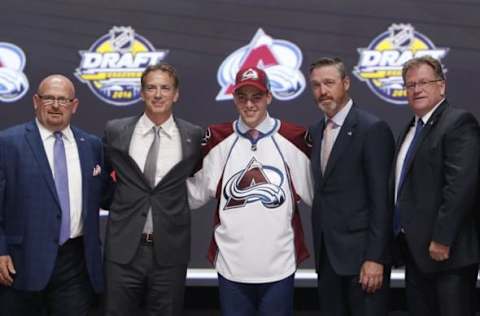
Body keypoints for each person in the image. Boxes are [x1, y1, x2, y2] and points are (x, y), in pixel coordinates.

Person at [188, 66, 312, 316]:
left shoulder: (294, 138)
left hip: (279, 266)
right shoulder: (217, 140)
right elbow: (193, 195)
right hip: (231, 267)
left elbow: (321, 195)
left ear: (269, 97)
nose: (249, 104)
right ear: (234, 99)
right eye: (242, 97)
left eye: (256, 97)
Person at [102, 63, 203, 316]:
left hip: (170, 252)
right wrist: (121, 204)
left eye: (165, 88)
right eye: (151, 88)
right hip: (123, 250)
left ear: (176, 94)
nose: (158, 94)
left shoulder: (192, 136)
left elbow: (196, 183)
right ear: (141, 92)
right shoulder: (116, 131)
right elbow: (101, 180)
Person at [0, 75, 105, 315]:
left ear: (74, 105)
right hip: (21, 263)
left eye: (63, 99)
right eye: (49, 98)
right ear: (36, 101)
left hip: (75, 264)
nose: (56, 105)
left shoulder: (91, 145)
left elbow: (106, 196)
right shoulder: (8, 143)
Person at [393, 55, 480, 316]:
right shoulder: (410, 128)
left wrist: (442, 239)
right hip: (417, 255)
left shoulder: (458, 123)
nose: (416, 89)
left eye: (424, 82)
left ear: (441, 86)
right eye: (410, 85)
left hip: (447, 256)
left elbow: (460, 186)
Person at [308, 57, 394, 316]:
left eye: (329, 83)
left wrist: (375, 258)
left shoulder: (372, 128)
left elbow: (382, 201)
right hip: (328, 260)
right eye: (316, 85)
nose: (323, 91)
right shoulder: (316, 131)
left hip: (363, 262)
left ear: (346, 83)